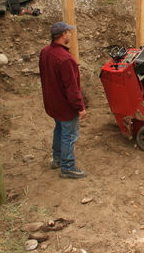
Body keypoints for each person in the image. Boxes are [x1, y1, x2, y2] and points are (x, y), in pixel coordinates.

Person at [39, 21, 87, 179]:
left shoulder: (45, 52)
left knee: (59, 129)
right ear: (63, 35)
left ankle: (57, 159)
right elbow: (72, 89)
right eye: (69, 32)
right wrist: (80, 107)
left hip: (52, 103)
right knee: (69, 135)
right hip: (65, 106)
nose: (71, 34)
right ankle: (67, 167)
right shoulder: (66, 59)